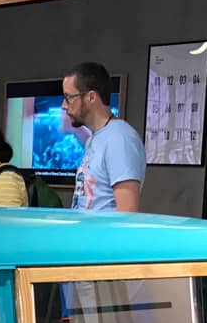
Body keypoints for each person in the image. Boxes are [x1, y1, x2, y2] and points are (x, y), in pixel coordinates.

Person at [61, 61, 145, 212]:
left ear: (91, 97)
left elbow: (127, 213)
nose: (64, 105)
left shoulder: (120, 138)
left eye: (69, 97)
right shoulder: (93, 139)